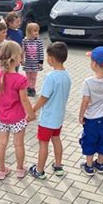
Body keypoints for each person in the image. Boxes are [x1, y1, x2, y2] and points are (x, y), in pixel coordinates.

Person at [0, 41, 36, 180]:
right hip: (17, 117)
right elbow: (24, 100)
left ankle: (1, 170)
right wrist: (32, 113)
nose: (21, 59)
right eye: (20, 56)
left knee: (1, 143)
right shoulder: (20, 79)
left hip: (2, 117)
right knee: (18, 144)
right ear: (15, 58)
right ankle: (20, 169)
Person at [29, 42, 71, 179]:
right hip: (58, 117)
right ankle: (58, 166)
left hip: (48, 118)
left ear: (51, 59)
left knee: (43, 144)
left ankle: (39, 170)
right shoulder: (67, 75)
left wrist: (33, 110)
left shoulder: (51, 77)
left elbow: (44, 97)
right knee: (56, 139)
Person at [78, 46, 103, 176]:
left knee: (89, 140)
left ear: (94, 63)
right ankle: (100, 164)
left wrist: (81, 116)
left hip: (91, 119)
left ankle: (89, 166)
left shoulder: (88, 82)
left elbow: (85, 101)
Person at [22, 23, 44, 97]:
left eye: (37, 31)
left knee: (33, 77)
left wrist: (41, 62)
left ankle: (33, 88)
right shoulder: (25, 40)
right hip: (28, 62)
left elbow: (41, 52)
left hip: (35, 63)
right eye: (34, 31)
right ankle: (28, 88)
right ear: (29, 32)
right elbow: (22, 51)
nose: (37, 32)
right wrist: (21, 59)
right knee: (27, 77)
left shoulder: (39, 41)